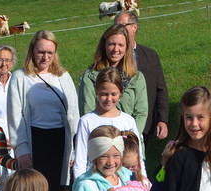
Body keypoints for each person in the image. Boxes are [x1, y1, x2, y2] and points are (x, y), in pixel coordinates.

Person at [6, 30, 79, 191]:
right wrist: (21, 150)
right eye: (41, 52)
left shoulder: (63, 77)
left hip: (60, 141)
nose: (45, 57)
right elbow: (15, 116)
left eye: (50, 53)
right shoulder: (20, 77)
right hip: (35, 140)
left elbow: (74, 114)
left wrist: (73, 150)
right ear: (32, 50)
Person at [114, 10, 170, 174]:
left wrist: (163, 119)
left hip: (145, 125)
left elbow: (161, 89)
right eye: (115, 26)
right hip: (117, 126)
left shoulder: (150, 56)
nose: (118, 30)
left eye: (122, 26)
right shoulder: (112, 57)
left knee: (140, 167)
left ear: (134, 27)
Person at [78, 25, 149, 135]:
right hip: (100, 139)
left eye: (121, 45)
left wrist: (129, 138)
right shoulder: (90, 76)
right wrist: (106, 140)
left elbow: (141, 113)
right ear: (104, 45)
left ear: (127, 47)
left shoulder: (137, 78)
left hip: (129, 141)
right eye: (111, 44)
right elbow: (87, 111)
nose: (116, 49)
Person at [73, 67, 142, 179]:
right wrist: (79, 184)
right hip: (94, 180)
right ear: (96, 91)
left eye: (113, 94)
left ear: (120, 92)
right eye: (104, 94)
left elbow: (138, 157)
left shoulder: (128, 121)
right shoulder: (86, 121)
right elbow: (80, 161)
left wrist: (142, 181)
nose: (109, 99)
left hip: (123, 182)